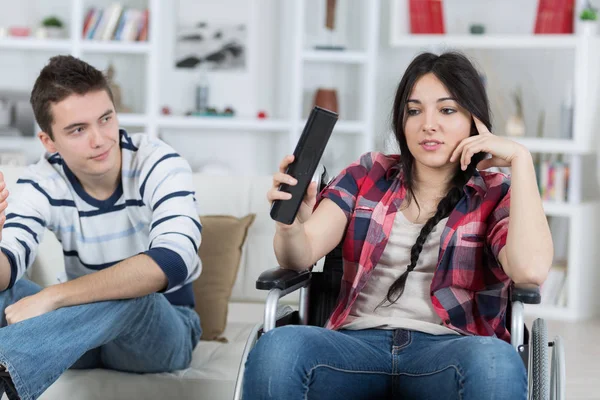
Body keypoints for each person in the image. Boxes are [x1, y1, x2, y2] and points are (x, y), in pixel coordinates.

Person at [243, 52, 553, 399]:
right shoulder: (367, 174)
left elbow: (530, 270)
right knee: (279, 348)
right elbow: (298, 257)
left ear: (474, 121)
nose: (428, 124)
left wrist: (520, 160)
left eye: (447, 110)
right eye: (414, 110)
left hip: (451, 350)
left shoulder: (494, 193)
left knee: (496, 360)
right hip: (354, 347)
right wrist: (291, 224)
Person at [0, 55, 202, 400]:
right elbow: (8, 264)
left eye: (106, 119)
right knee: (6, 293)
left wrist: (53, 296)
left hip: (159, 330)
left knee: (136, 292)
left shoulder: (158, 162)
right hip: (79, 330)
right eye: (78, 129)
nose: (100, 139)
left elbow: (173, 259)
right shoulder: (41, 180)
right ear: (48, 142)